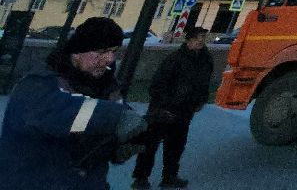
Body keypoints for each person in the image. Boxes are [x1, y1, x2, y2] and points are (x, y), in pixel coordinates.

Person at [0, 16, 146, 190]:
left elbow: (96, 140)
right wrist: (116, 117)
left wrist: (121, 146)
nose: (109, 59)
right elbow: (57, 114)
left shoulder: (107, 88)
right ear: (76, 53)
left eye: (114, 51)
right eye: (101, 52)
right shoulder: (39, 83)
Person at [131, 26, 214, 189]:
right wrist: (165, 104)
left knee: (176, 146)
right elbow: (158, 84)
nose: (201, 40)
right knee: (150, 145)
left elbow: (204, 83)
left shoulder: (206, 60)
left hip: (185, 110)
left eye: (203, 37)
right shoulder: (175, 59)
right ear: (188, 39)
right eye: (198, 37)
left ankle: (169, 177)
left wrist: (201, 100)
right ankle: (141, 178)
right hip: (162, 110)